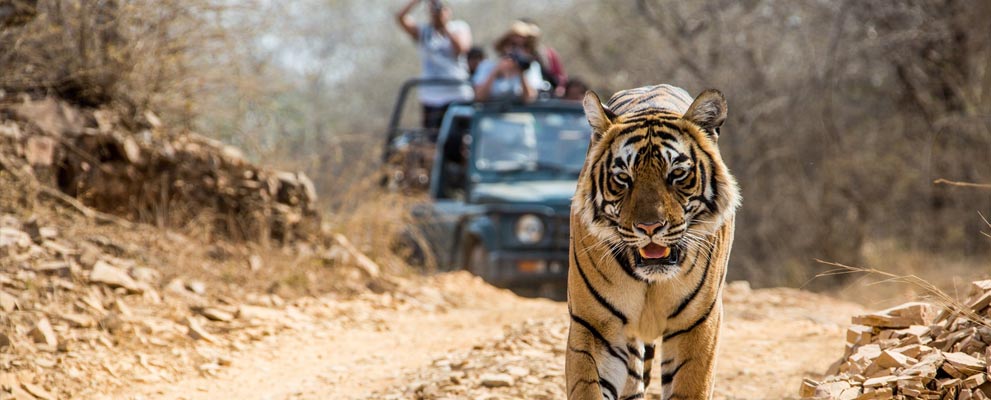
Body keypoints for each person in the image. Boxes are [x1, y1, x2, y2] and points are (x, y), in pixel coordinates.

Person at [395, 0, 473, 129]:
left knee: (458, 137)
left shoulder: (459, 27)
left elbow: (462, 49)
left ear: (448, 11)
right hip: (431, 96)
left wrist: (444, 26)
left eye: (440, 9)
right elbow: (400, 18)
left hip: (457, 93)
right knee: (431, 137)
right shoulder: (424, 31)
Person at [472, 21, 544, 102]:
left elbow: (529, 99)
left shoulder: (531, 67)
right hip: (490, 113)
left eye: (524, 45)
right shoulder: (486, 66)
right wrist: (495, 71)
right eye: (513, 44)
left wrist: (521, 72)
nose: (517, 50)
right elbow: (479, 97)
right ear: (504, 45)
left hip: (521, 113)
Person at [518, 18, 567, 96]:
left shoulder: (548, 54)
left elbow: (559, 77)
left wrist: (559, 89)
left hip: (546, 96)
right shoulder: (513, 54)